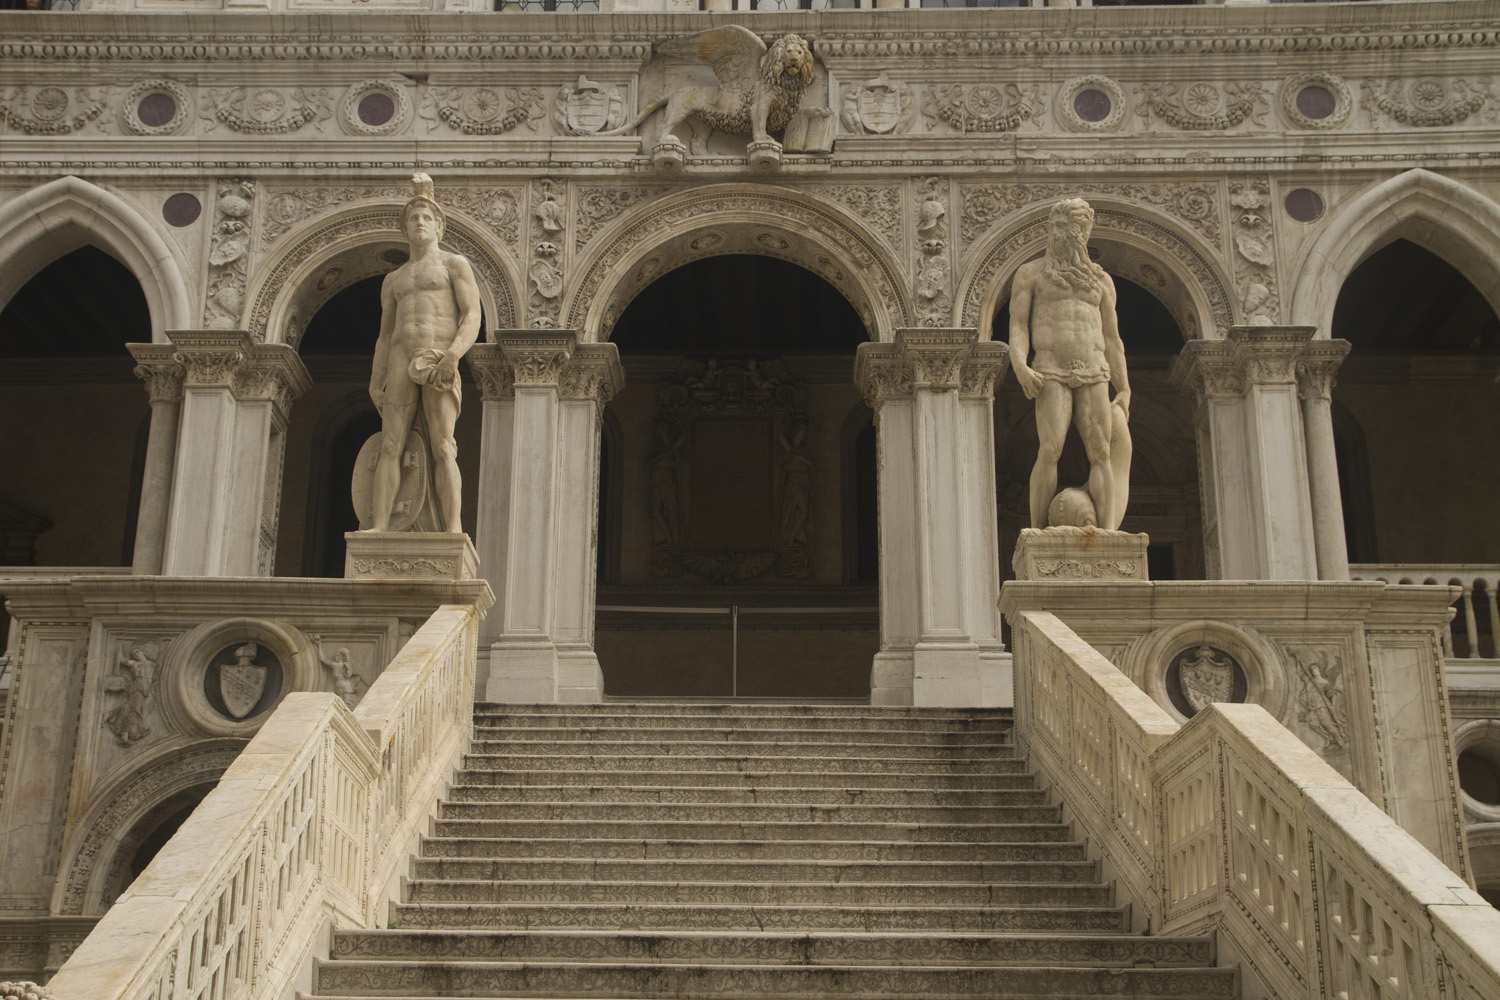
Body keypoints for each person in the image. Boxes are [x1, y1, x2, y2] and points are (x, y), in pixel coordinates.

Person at [367, 173, 482, 533]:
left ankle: (452, 529)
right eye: (413, 218)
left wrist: (453, 355)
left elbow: (472, 315)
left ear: (439, 226)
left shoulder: (454, 264)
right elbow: (385, 336)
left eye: (426, 218)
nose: (419, 223)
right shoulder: (394, 279)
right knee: (390, 445)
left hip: (438, 357)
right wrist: (376, 380)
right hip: (402, 357)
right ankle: (380, 527)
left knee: (444, 445)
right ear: (405, 228)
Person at [1009, 198, 1133, 531]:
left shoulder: (1101, 280)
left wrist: (1124, 387)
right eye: (1060, 227)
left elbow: (1112, 338)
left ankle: (1107, 534)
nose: (1067, 234)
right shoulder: (1031, 273)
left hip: (1094, 369)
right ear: (1050, 230)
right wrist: (1019, 364)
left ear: (1086, 231)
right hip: (1050, 369)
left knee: (1101, 452)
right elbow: (1019, 325)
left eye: (1075, 228)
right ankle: (1036, 532)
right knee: (1050, 449)